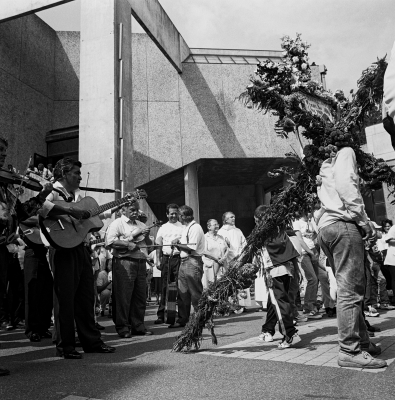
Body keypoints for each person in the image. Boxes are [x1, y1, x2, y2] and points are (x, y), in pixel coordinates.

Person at [38, 157, 116, 359]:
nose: (80, 177)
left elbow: (85, 218)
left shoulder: (74, 195)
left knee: (85, 297)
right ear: (64, 174)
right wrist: (70, 210)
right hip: (62, 248)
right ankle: (66, 346)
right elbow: (40, 208)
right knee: (65, 299)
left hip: (80, 247)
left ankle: (92, 342)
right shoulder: (52, 190)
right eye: (76, 173)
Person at [316, 146, 386, 369]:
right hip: (342, 225)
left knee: (350, 287)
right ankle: (349, 350)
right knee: (351, 290)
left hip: (327, 227)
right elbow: (347, 185)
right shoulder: (346, 153)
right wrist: (363, 219)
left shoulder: (327, 163)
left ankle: (362, 343)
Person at [0, 136, 53, 376]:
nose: (3, 156)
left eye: (4, 152)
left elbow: (21, 213)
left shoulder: (7, 187)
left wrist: (42, 195)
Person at [254, 206, 301, 348]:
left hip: (275, 271)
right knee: (278, 302)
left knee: (280, 305)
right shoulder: (279, 229)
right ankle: (269, 329)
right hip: (286, 270)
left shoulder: (265, 233)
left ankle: (289, 334)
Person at [105, 201, 154, 338]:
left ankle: (138, 326)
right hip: (124, 262)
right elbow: (110, 242)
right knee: (123, 296)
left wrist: (148, 237)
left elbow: (148, 245)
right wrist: (127, 243)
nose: (135, 212)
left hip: (140, 262)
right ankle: (123, 327)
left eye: (137, 210)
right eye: (132, 209)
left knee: (140, 296)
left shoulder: (141, 225)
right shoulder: (117, 223)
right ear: (123, 210)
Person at [293, 213, 334, 318]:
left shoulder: (310, 221)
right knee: (313, 279)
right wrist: (310, 252)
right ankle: (309, 307)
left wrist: (312, 221)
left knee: (322, 276)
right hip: (304, 253)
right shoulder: (296, 222)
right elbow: (300, 240)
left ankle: (314, 305)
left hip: (313, 250)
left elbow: (317, 233)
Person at [171, 205, 205, 327]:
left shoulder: (195, 228)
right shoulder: (186, 228)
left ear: (184, 216)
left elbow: (191, 247)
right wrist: (177, 241)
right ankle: (182, 319)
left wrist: (178, 245)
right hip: (184, 261)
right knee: (182, 292)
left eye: (179, 215)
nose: (178, 218)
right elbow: (185, 242)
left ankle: (200, 319)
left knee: (195, 293)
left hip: (193, 261)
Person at [153, 204, 184, 326]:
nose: (174, 215)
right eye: (171, 213)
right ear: (167, 214)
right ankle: (161, 315)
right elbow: (158, 245)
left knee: (179, 287)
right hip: (166, 259)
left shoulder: (183, 227)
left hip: (179, 258)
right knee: (164, 287)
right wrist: (158, 260)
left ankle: (178, 314)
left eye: (176, 213)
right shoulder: (163, 228)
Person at [218, 211, 250, 311]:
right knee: (230, 282)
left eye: (234, 217)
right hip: (228, 261)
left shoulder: (238, 230)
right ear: (225, 219)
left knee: (241, 281)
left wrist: (243, 255)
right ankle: (230, 305)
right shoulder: (221, 232)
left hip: (240, 259)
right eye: (231, 217)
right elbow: (221, 248)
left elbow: (244, 243)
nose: (233, 219)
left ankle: (242, 305)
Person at [202, 219, 228, 289]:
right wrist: (217, 258)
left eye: (217, 224)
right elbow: (204, 251)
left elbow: (226, 249)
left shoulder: (221, 237)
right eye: (215, 225)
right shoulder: (204, 237)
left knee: (222, 288)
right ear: (209, 227)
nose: (217, 226)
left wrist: (224, 257)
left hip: (222, 267)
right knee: (210, 288)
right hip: (211, 267)